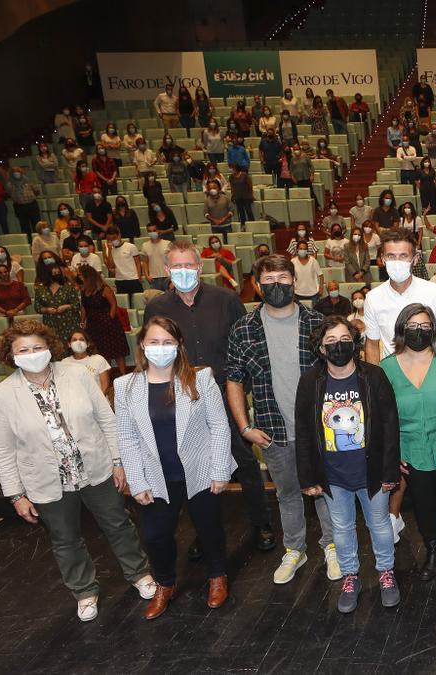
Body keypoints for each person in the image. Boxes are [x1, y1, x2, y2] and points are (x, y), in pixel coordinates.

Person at [0, 320, 157, 621]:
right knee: (65, 539)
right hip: (45, 481)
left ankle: (140, 574)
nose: (32, 353)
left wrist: (118, 461)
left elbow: (107, 420)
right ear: (10, 355)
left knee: (118, 525)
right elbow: (3, 450)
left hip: (96, 468)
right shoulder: (2, 395)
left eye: (37, 347)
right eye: (23, 349)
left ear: (49, 348)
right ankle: (84, 592)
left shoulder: (78, 374)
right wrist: (16, 495)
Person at [143, 240, 275, 552]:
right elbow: (154, 351)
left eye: (189, 265)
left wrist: (245, 388)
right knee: (194, 465)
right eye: (177, 266)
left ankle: (262, 523)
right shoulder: (157, 307)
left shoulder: (226, 299)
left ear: (200, 268)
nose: (184, 271)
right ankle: (204, 533)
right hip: (182, 397)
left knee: (243, 460)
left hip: (226, 393)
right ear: (166, 270)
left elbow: (244, 345)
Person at [227, 254, 339, 585]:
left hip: (320, 429)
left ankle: (332, 545)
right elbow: (233, 379)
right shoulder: (243, 328)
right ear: (257, 286)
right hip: (272, 432)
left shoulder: (317, 323)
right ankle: (295, 549)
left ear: (294, 280)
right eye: (269, 280)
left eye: (283, 278)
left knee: (326, 492)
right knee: (288, 493)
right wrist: (245, 427)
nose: (277, 285)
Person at [115, 317, 233, 619]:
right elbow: (127, 438)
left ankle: (217, 576)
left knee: (209, 529)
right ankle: (164, 584)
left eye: (167, 342)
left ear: (179, 345)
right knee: (155, 536)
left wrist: (220, 470)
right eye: (154, 342)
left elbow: (218, 425)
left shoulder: (200, 378)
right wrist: (137, 482)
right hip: (156, 477)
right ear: (142, 345)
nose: (160, 348)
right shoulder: (125, 386)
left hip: (200, 471)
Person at [294, 316, 401, 612]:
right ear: (320, 348)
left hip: (372, 471)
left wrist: (390, 471)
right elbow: (303, 430)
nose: (338, 346)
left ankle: (386, 573)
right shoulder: (309, 383)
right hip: (333, 475)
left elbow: (390, 425)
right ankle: (350, 576)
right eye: (330, 342)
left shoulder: (374, 376)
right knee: (341, 528)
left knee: (379, 525)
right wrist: (307, 477)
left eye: (344, 339)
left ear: (354, 342)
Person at [379, 305, 436, 594]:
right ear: (401, 329)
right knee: (423, 506)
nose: (418, 331)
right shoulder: (387, 367)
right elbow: (384, 417)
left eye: (424, 325)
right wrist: (393, 455)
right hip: (410, 453)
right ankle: (432, 553)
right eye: (412, 325)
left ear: (433, 329)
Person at [363, 229, 436, 365]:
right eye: (391, 256)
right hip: (393, 379)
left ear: (415, 259)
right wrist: (376, 383)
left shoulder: (435, 293)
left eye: (403, 256)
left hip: (432, 378)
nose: (397, 262)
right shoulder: (373, 298)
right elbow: (372, 344)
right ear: (382, 259)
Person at [77, 265, 130, 375]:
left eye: (81, 276)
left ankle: (124, 375)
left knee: (117, 351)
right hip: (93, 325)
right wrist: (82, 321)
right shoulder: (84, 291)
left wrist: (110, 318)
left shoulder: (104, 289)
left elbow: (113, 304)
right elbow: (83, 308)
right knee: (102, 352)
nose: (79, 278)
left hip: (109, 324)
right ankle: (106, 376)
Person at [34, 252, 83, 340]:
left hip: (69, 323)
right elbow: (37, 307)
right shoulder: (40, 289)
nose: (56, 275)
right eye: (53, 274)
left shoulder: (68, 287)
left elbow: (76, 305)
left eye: (58, 273)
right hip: (51, 324)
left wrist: (67, 306)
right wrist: (46, 309)